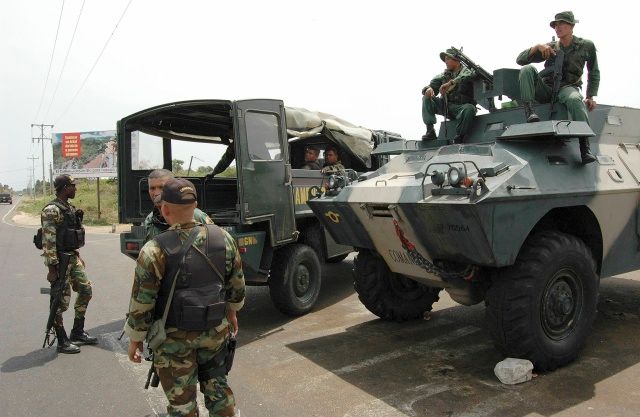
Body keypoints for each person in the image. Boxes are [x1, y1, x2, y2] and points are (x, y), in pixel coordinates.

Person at [125, 178, 245, 417]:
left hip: (173, 342)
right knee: (219, 391)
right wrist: (232, 313)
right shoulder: (223, 238)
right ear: (196, 206)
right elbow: (236, 286)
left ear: (165, 209)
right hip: (214, 332)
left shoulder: (153, 249)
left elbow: (142, 304)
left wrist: (135, 339)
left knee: (182, 404)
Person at [516, 11, 599, 164]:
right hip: (547, 88)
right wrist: (537, 47)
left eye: (562, 23)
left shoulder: (586, 45)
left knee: (575, 100)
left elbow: (593, 71)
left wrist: (590, 96)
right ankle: (530, 111)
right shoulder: (550, 47)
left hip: (567, 88)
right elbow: (520, 60)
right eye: (555, 24)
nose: (557, 27)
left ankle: (584, 146)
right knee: (526, 69)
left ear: (572, 26)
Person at [41, 175, 98, 354]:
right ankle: (61, 339)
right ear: (65, 187)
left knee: (86, 290)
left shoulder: (68, 208)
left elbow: (69, 236)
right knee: (59, 301)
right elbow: (48, 241)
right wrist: (52, 268)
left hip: (72, 257)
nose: (75, 189)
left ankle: (77, 332)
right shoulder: (51, 210)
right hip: (60, 262)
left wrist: (77, 255)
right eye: (73, 186)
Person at [421, 48, 477, 144]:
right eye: (445, 59)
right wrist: (428, 90)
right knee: (426, 97)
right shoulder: (444, 76)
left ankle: (460, 135)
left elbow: (469, 75)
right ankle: (430, 131)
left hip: (461, 108)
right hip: (445, 107)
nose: (445, 62)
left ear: (457, 60)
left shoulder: (467, 71)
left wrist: (451, 83)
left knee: (470, 108)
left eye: (448, 59)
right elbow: (430, 87)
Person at [143, 169, 212, 243]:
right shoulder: (150, 220)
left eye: (161, 187)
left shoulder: (197, 215)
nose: (156, 193)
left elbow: (215, 242)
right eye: (152, 188)